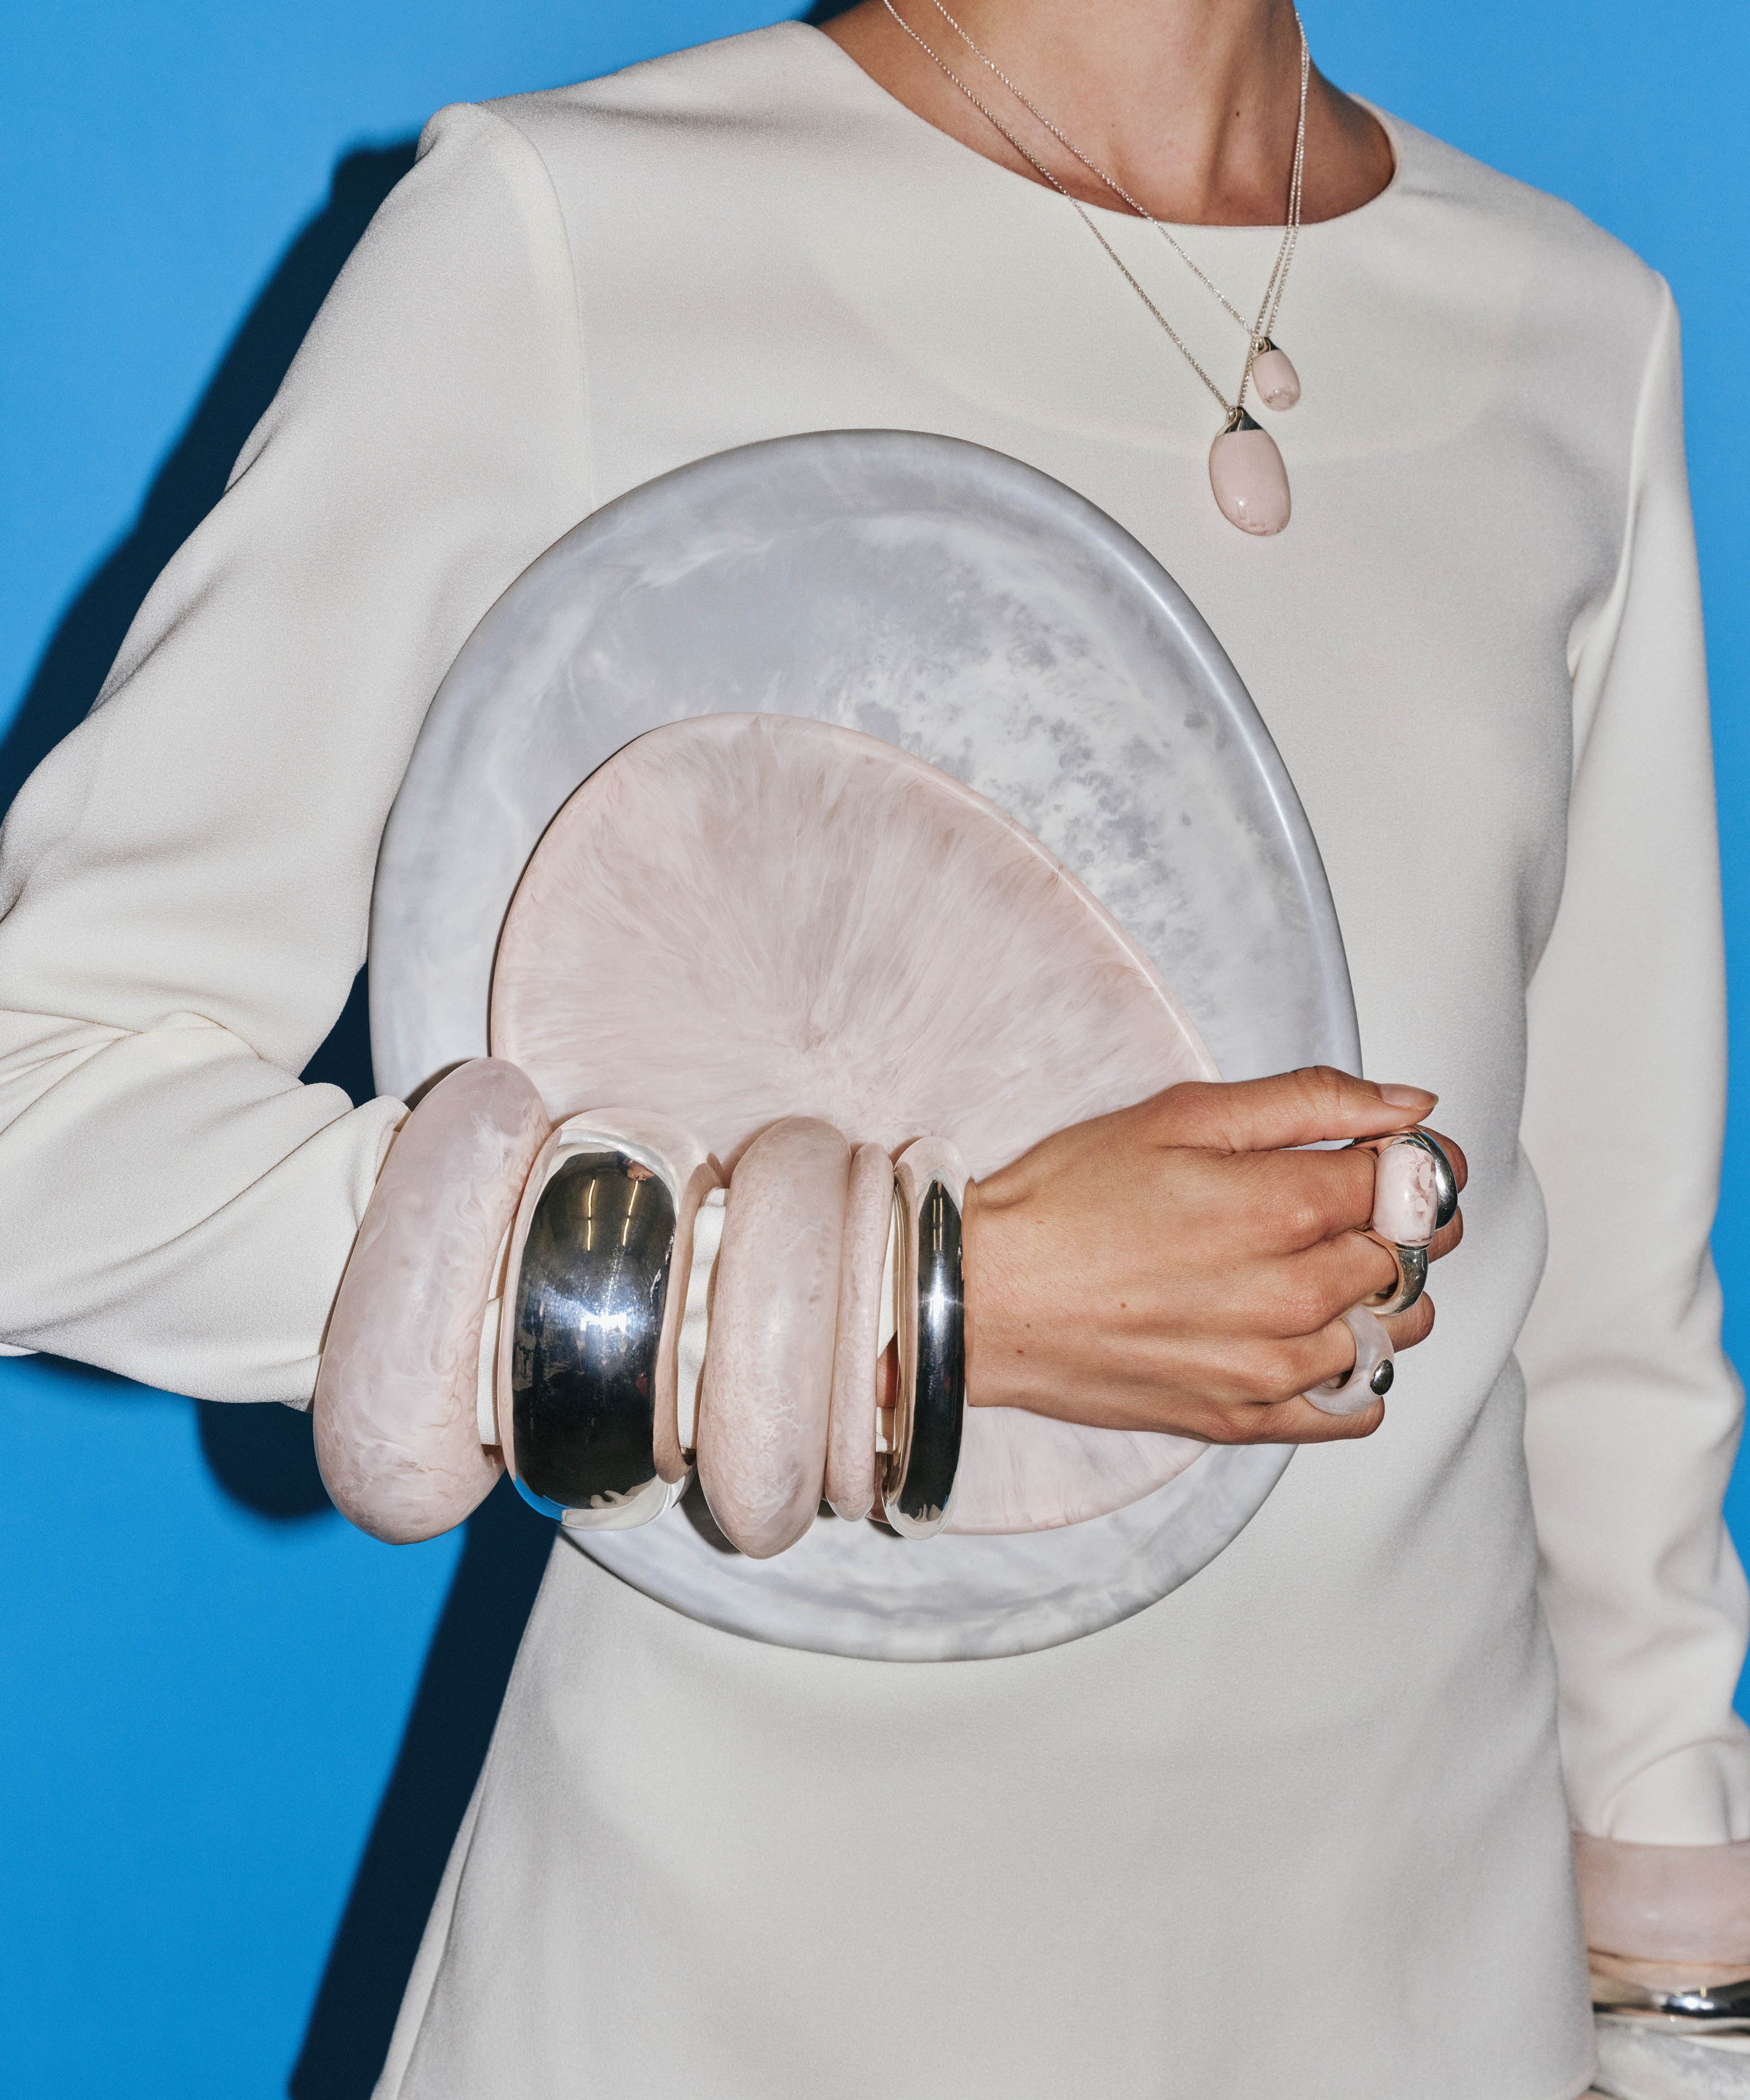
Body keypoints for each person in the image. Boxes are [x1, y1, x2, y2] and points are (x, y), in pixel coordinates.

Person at [0, 2, 1740, 2093]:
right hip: (728, 2002)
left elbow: (1612, 1333)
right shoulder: (570, 236)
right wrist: (902, 1302)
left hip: (1428, 2012)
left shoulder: (1575, 333)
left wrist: (1684, 2013)